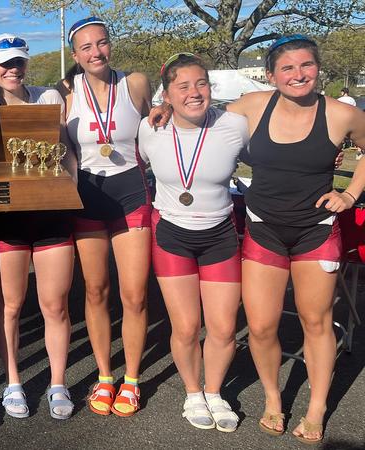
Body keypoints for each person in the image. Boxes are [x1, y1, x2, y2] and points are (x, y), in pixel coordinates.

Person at [148, 35, 365, 444]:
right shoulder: (250, 106)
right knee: (262, 327)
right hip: (264, 227)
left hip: (316, 231)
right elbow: (198, 111)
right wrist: (163, 105)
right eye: (287, 68)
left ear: (319, 68)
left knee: (315, 322)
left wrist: (349, 194)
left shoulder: (340, 114)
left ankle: (316, 408)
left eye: (306, 66)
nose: (298, 74)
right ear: (271, 75)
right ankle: (272, 399)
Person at [138, 53, 248, 432]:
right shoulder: (149, 129)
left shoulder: (234, 125)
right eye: (182, 86)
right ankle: (191, 392)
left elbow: (272, 147)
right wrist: (156, 109)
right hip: (172, 235)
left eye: (201, 83)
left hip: (219, 234)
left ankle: (215, 392)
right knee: (185, 327)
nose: (194, 92)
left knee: (223, 327)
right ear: (166, 94)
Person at [0, 34, 75, 421]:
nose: (12, 69)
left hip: (52, 214)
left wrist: (73, 194)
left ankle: (57, 383)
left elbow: (68, 151)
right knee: (12, 304)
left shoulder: (50, 99)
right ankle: (14, 382)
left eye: (18, 61)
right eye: (4, 63)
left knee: (55, 304)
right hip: (8, 219)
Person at [63, 17, 153, 417]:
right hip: (87, 197)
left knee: (133, 294)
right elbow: (60, 148)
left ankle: (131, 378)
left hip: (131, 191)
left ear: (110, 45)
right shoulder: (66, 92)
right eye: (86, 47)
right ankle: (104, 374)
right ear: (75, 55)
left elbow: (157, 125)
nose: (95, 52)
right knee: (95, 291)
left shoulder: (134, 82)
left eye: (101, 44)